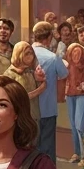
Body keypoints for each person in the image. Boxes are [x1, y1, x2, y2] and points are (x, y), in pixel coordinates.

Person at [30, 22, 69, 161]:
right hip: (48, 109)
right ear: (50, 37)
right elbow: (64, 74)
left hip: (27, 109)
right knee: (47, 149)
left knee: (29, 148)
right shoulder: (53, 57)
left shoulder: (24, 55)